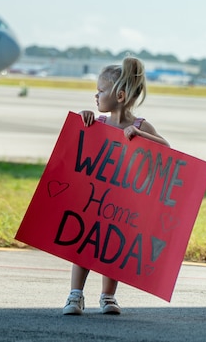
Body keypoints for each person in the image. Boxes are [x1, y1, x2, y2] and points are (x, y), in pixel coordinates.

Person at [63, 56, 169, 316]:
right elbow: (80, 144)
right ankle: (75, 294)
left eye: (100, 91)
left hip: (123, 201)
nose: (95, 96)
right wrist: (83, 117)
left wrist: (141, 136)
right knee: (84, 242)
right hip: (95, 196)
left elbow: (166, 150)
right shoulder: (97, 123)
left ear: (119, 95)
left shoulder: (139, 125)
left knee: (113, 246)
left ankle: (108, 296)